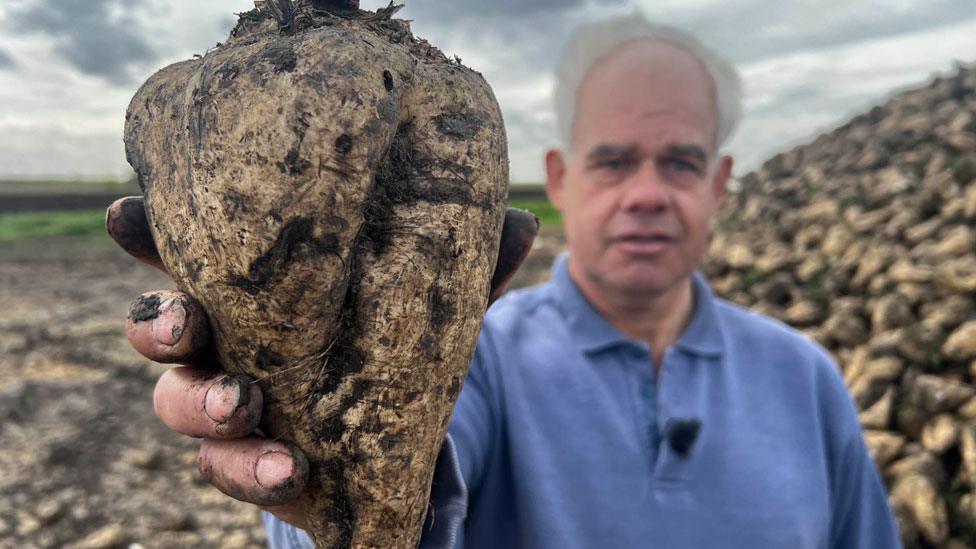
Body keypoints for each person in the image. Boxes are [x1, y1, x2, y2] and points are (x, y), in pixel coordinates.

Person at [108, 13, 902, 549]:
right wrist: (290, 449)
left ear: (721, 183)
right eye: (614, 159)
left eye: (682, 161)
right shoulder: (477, 353)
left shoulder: (807, 380)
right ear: (559, 178)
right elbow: (365, 503)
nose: (649, 192)